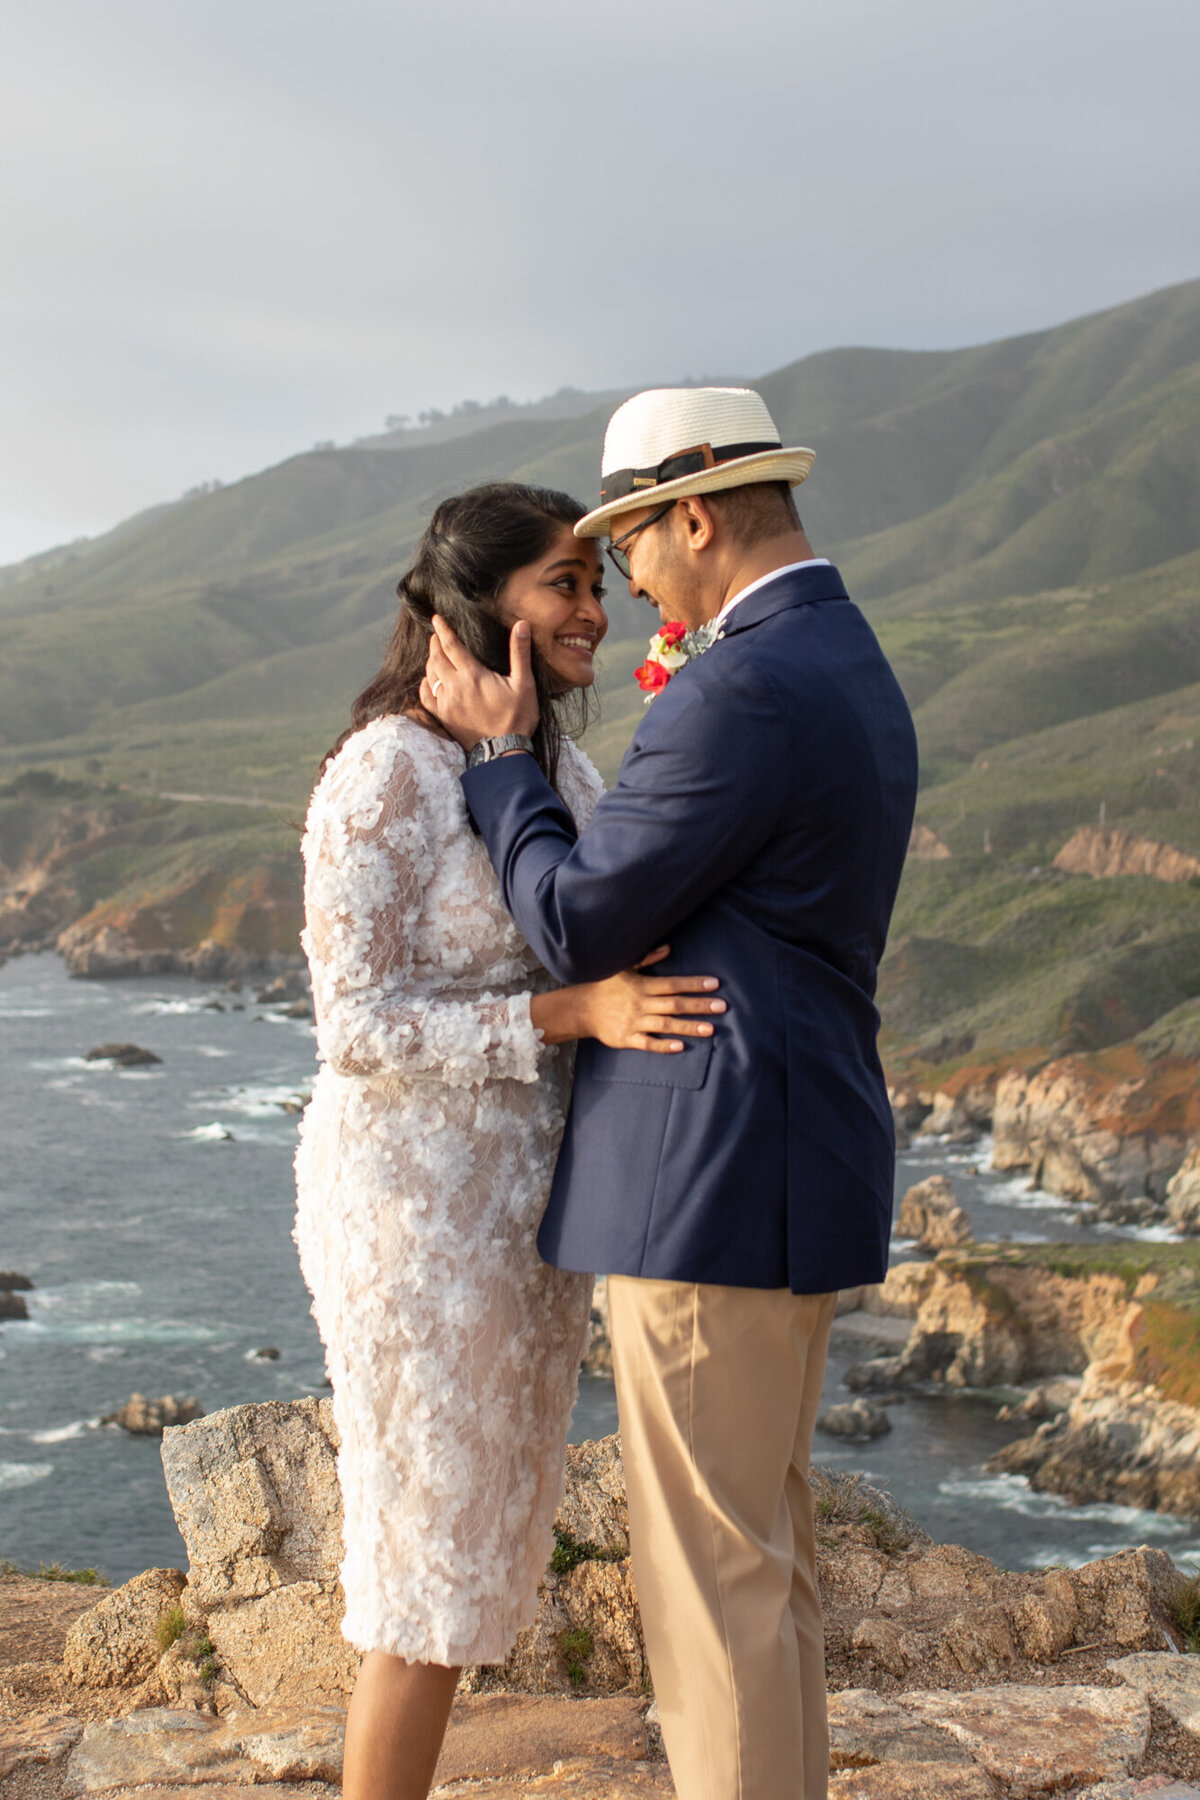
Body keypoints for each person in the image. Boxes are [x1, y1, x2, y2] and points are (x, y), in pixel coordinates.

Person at [422, 390, 920, 1800]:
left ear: (694, 517)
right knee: (764, 1564)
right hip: (790, 1155)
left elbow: (578, 920)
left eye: (630, 542)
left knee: (711, 1589)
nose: (627, 582)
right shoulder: (846, 655)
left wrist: (508, 769)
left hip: (710, 1179)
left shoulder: (741, 687)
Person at [293, 481, 726, 1800]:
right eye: (565, 584)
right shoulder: (381, 777)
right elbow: (355, 1029)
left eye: (600, 584)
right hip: (416, 1227)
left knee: (473, 1582)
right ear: (481, 605)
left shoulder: (556, 769)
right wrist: (569, 1013)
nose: (595, 609)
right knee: (421, 1593)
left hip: (528, 1224)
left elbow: (594, 914)